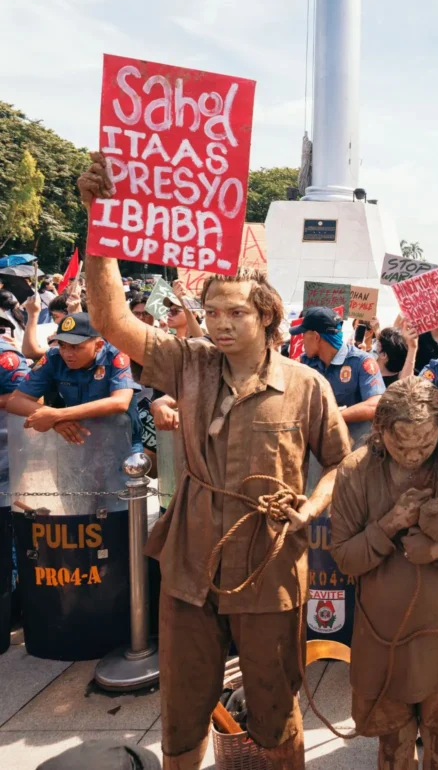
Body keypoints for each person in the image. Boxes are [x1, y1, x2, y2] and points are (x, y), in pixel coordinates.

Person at [76, 152, 353, 770]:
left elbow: (341, 463)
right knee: (182, 709)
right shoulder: (187, 362)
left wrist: (310, 506)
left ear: (268, 318)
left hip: (271, 567)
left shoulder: (308, 385)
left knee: (276, 710)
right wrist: (100, 224)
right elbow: (110, 318)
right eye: (213, 314)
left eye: (237, 314)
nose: (220, 325)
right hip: (188, 567)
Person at [329, 377, 438, 770]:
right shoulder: (356, 471)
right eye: (399, 443)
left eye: (424, 444)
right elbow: (344, 557)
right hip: (383, 640)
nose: (412, 454)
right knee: (393, 743)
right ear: (380, 430)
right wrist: (389, 524)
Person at [6, 312, 141, 449]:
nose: (67, 353)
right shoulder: (54, 358)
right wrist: (56, 421)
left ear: (99, 345)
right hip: (80, 440)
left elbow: (120, 402)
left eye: (75, 347)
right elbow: (15, 401)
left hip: (123, 441)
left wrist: (57, 415)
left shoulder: (118, 355)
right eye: (62, 345)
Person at [295, 306, 385, 426]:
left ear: (316, 337)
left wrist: (333, 416)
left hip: (353, 442)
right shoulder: (304, 361)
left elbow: (376, 405)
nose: (302, 340)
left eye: (303, 334)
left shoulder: (362, 361)